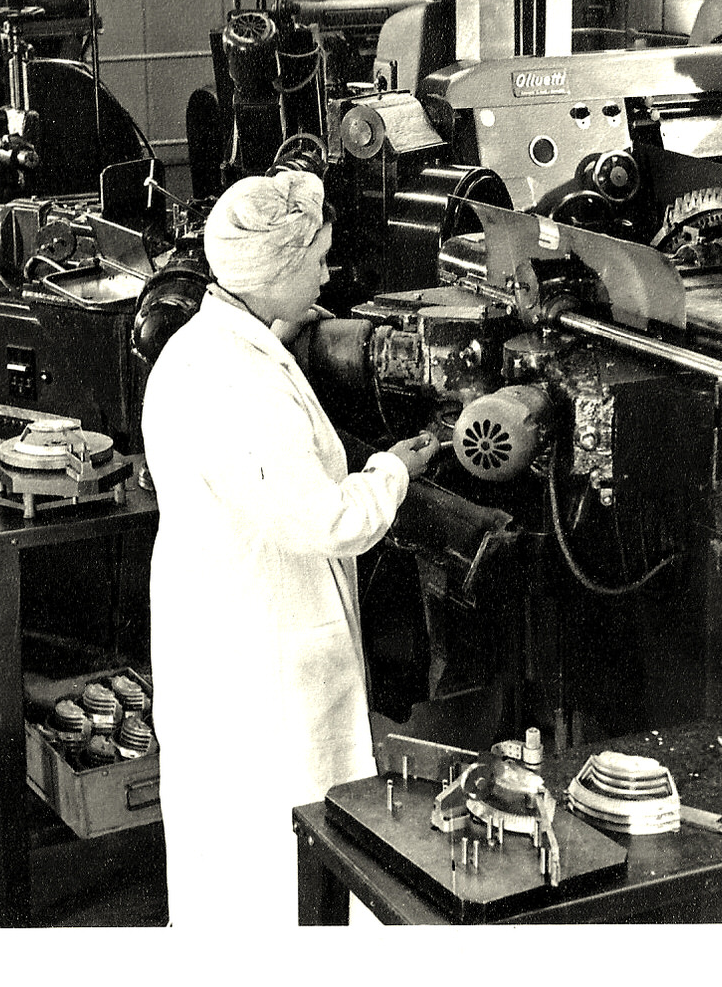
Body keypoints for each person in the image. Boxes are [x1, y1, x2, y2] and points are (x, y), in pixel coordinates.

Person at [140, 171, 439, 927]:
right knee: (279, 860)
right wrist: (398, 468)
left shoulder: (196, 347)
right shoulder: (243, 381)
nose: (327, 274)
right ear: (277, 271)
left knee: (225, 857)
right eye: (319, 259)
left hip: (218, 626)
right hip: (264, 654)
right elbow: (327, 521)